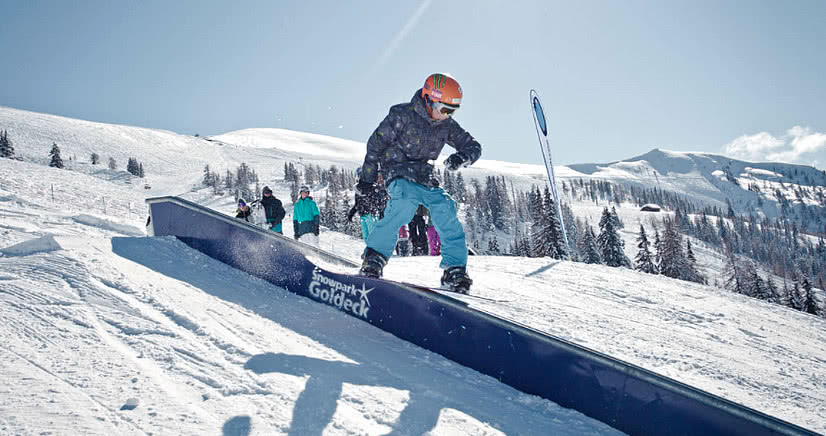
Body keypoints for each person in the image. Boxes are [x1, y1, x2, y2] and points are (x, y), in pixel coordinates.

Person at [356, 73, 482, 293]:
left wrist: (462, 157)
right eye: (444, 109)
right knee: (404, 202)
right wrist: (367, 179)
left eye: (452, 111)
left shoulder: (447, 125)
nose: (447, 115)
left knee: (444, 207)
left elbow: (473, 145)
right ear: (429, 98)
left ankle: (454, 268)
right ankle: (374, 256)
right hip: (396, 169)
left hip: (423, 175)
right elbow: (375, 145)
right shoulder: (401, 114)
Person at [347, 170, 388, 242]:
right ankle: (370, 251)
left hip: (371, 214)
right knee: (366, 237)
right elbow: (357, 203)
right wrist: (351, 213)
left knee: (373, 236)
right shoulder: (358, 189)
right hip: (363, 215)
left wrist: (381, 213)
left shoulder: (373, 187)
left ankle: (376, 251)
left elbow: (381, 201)